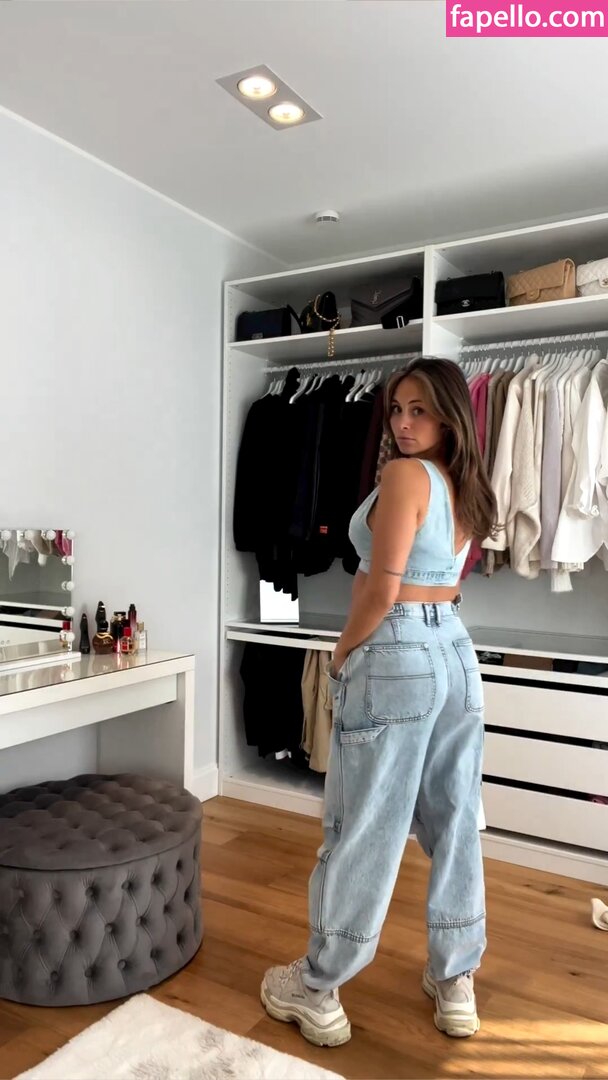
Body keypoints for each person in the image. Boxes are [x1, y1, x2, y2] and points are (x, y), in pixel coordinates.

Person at [260, 357, 498, 1047]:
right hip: (455, 650)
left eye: (419, 409)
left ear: (450, 414)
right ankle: (456, 979)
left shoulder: (404, 476)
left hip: (396, 650)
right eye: (396, 409)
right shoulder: (464, 483)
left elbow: (381, 587)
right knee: (455, 820)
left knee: (364, 824)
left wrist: (341, 655)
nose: (401, 423)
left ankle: (318, 987)